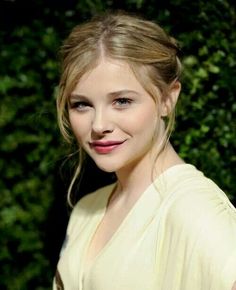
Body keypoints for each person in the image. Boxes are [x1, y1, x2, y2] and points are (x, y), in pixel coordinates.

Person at [53, 12, 236, 290]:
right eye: (81, 104)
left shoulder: (195, 211)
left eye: (122, 101)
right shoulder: (86, 209)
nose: (99, 125)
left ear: (167, 99)